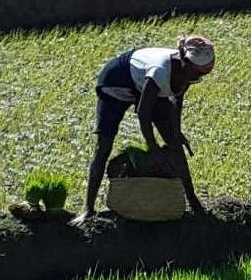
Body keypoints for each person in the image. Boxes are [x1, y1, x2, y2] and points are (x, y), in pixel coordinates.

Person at [72, 35, 215, 223]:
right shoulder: (161, 71)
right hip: (117, 83)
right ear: (184, 62)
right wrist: (153, 148)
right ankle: (88, 210)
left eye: (200, 75)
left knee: (175, 144)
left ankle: (193, 200)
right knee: (103, 147)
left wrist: (176, 131)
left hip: (145, 84)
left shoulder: (187, 74)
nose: (197, 78)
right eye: (196, 73)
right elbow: (143, 113)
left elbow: (176, 100)